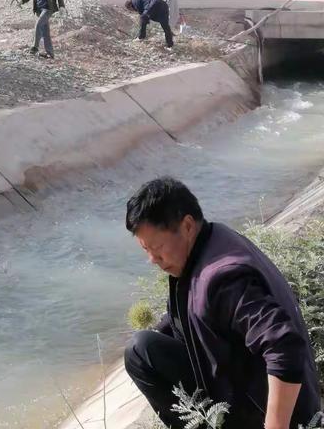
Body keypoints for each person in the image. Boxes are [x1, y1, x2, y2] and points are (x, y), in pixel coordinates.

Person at [124, 177, 321, 429]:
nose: (153, 259)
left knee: (139, 350)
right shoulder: (209, 243)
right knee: (144, 350)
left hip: (270, 410)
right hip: (239, 386)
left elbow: (285, 345)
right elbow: (187, 318)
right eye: (145, 250)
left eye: (157, 247)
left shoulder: (223, 277)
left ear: (186, 225)